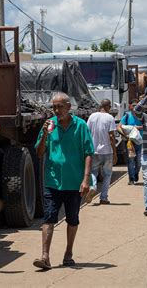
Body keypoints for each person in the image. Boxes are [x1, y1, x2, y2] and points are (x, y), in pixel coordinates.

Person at [34, 93, 94, 270]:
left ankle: (68, 253)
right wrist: (44, 135)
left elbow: (88, 153)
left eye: (60, 107)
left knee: (73, 219)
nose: (56, 110)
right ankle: (45, 256)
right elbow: (39, 153)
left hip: (74, 183)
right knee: (49, 217)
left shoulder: (80, 126)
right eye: (54, 107)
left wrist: (85, 179)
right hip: (53, 182)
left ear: (69, 107)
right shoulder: (50, 126)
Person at [86, 99, 117, 204]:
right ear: (108, 106)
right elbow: (112, 136)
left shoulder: (92, 116)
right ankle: (103, 198)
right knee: (107, 174)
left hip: (94, 150)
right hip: (107, 151)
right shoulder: (110, 118)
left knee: (93, 171)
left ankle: (93, 186)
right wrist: (115, 153)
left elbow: (87, 132)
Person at [117, 99, 144, 185]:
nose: (135, 107)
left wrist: (139, 127)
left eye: (137, 105)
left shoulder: (142, 116)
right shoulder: (127, 115)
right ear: (130, 106)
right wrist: (125, 135)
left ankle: (136, 173)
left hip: (140, 142)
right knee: (131, 161)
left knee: (139, 162)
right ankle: (131, 179)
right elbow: (119, 126)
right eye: (133, 105)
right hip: (130, 142)